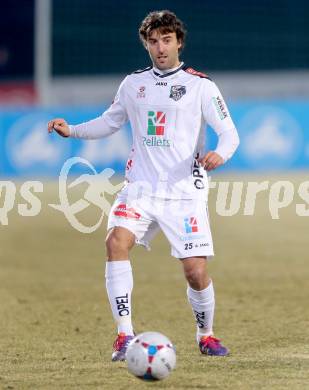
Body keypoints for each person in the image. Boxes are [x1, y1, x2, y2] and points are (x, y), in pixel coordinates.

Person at [48, 10, 239, 360]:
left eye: (166, 40)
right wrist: (71, 130)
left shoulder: (201, 85)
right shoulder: (133, 84)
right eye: (153, 41)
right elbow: (109, 122)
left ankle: (206, 335)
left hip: (184, 192)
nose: (160, 47)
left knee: (195, 271)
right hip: (139, 188)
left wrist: (220, 154)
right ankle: (124, 335)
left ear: (179, 42)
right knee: (115, 242)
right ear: (146, 45)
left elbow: (229, 133)